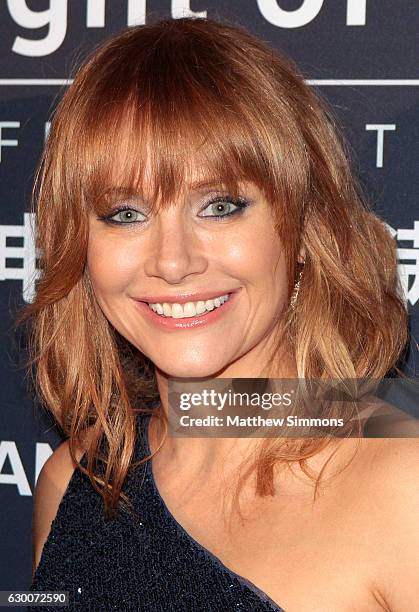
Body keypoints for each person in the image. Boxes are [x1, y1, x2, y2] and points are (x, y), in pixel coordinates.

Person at [18, 16, 419, 611]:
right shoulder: (74, 481)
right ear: (80, 250)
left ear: (304, 229)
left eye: (221, 206)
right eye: (125, 213)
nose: (173, 262)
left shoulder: (404, 483)